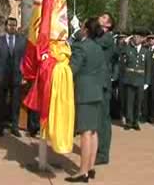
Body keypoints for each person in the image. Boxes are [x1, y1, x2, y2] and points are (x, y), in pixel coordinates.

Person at [65, 17, 105, 183]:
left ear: (86, 30)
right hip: (96, 92)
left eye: (82, 26)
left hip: (84, 93)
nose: (80, 28)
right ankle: (90, 167)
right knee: (93, 131)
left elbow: (72, 69)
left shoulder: (81, 46)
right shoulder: (98, 47)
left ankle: (82, 171)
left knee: (85, 133)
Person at [0, 17, 26, 138]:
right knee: (0, 103)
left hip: (17, 76)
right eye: (10, 25)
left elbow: (25, 60)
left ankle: (14, 127)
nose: (12, 27)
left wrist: (24, 76)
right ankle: (0, 126)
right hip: (2, 77)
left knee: (15, 103)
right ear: (6, 26)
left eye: (14, 25)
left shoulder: (22, 41)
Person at [95, 12, 115, 165]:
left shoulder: (107, 38)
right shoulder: (99, 36)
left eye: (103, 18)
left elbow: (92, 45)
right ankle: (97, 149)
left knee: (103, 119)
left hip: (102, 83)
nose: (99, 19)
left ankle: (102, 154)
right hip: (96, 82)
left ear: (108, 25)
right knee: (97, 118)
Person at [122, 30, 151, 131]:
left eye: (139, 37)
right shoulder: (128, 49)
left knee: (138, 102)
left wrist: (147, 81)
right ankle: (128, 122)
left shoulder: (146, 51)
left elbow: (148, 67)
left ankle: (136, 121)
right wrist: (124, 43)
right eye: (134, 37)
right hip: (129, 78)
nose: (136, 39)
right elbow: (121, 57)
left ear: (142, 39)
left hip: (140, 79)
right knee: (129, 101)